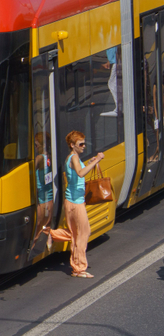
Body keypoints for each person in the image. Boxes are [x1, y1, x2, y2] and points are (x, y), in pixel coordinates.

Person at [45, 131, 103, 278]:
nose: (84, 146)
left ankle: (50, 233)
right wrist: (97, 160)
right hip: (75, 203)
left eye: (84, 143)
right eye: (81, 144)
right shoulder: (74, 158)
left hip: (72, 201)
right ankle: (79, 268)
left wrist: (89, 164)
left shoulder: (71, 158)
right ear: (72, 145)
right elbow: (80, 174)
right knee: (84, 233)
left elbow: (78, 176)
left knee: (76, 233)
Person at [101, 47, 120, 117]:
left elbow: (113, 49)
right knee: (113, 83)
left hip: (116, 62)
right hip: (115, 61)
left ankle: (119, 107)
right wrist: (109, 61)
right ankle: (119, 106)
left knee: (111, 84)